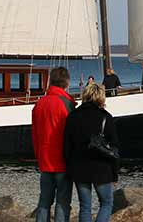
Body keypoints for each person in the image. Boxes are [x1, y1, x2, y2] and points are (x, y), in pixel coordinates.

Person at [63, 83, 119, 222]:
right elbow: (114, 148)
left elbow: (67, 145)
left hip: (79, 167)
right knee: (106, 203)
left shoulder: (73, 116)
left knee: (85, 206)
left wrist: (69, 169)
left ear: (85, 95)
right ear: (101, 97)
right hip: (102, 167)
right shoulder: (106, 117)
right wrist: (115, 173)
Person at [31, 66, 75, 222]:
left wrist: (38, 157)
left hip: (45, 160)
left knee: (44, 201)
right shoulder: (67, 104)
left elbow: (35, 134)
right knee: (62, 202)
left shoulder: (39, 104)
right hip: (62, 161)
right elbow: (72, 135)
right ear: (66, 82)